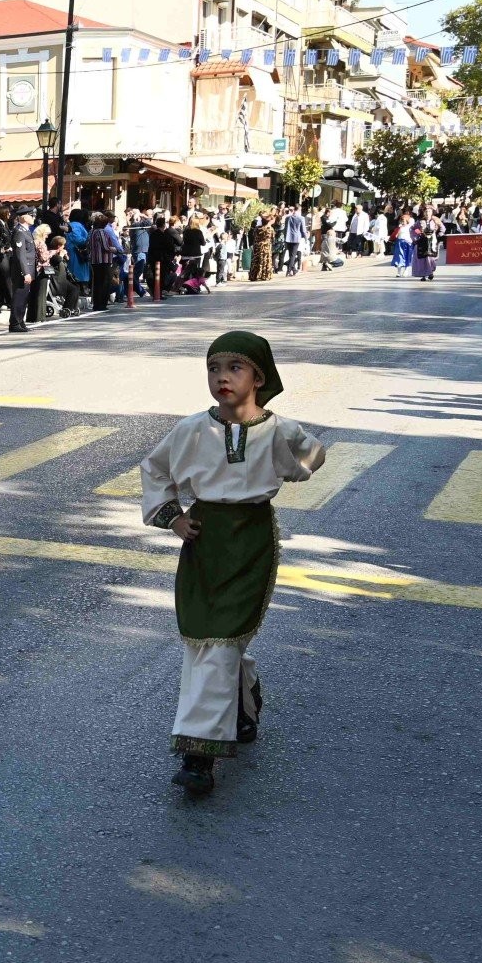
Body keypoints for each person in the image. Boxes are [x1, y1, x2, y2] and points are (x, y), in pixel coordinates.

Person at [140, 331, 325, 796]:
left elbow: (312, 456)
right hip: (204, 542)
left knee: (217, 643)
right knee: (208, 638)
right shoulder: (191, 429)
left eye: (234, 368)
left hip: (251, 543)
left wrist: (285, 463)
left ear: (259, 378)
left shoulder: (278, 430)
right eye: (214, 369)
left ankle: (198, 756)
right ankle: (242, 702)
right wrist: (174, 518)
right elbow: (154, 469)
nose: (222, 377)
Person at [412, 209, 442, 281]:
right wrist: (419, 233)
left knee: (430, 258)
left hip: (432, 241)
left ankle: (430, 272)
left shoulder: (435, 221)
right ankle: (423, 275)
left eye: (429, 212)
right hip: (422, 241)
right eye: (426, 212)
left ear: (431, 213)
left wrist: (439, 234)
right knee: (422, 258)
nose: (427, 213)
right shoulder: (420, 221)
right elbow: (413, 228)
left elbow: (442, 228)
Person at [246, 210, 273, 282]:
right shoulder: (270, 229)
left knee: (256, 261)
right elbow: (273, 238)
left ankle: (254, 276)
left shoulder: (257, 228)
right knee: (265, 261)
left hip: (257, 246)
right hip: (266, 246)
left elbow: (253, 235)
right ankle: (265, 275)